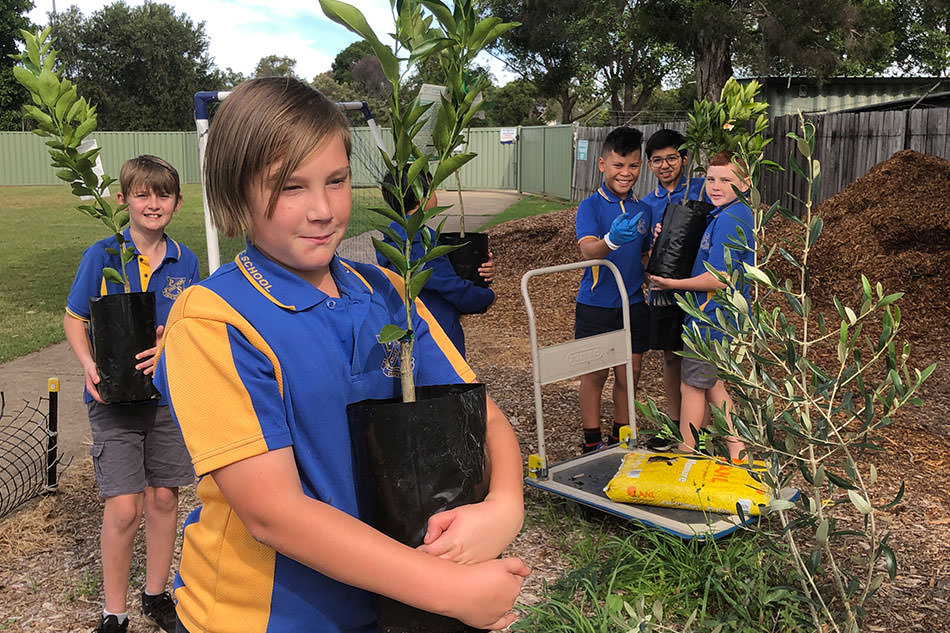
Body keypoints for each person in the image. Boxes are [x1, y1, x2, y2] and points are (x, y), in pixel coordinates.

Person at [152, 77, 528, 633]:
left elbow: (483, 417)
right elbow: (272, 514)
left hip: (387, 605)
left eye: (337, 180)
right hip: (260, 618)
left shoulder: (387, 292)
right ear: (237, 190)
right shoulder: (213, 318)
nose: (323, 209)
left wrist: (505, 505)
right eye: (290, 187)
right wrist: (450, 590)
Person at [63, 155, 199, 633]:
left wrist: (168, 344)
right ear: (122, 201)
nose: (153, 203)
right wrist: (87, 363)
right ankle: (114, 612)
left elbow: (187, 323)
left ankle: (156, 594)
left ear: (177, 202)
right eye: (142, 194)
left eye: (163, 195)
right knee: (124, 506)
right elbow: (75, 318)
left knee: (164, 498)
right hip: (114, 399)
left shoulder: (187, 261)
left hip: (164, 400)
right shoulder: (104, 254)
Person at [646, 150, 755, 461]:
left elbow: (721, 278)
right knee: (714, 386)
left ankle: (686, 455)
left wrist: (672, 285)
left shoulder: (732, 217)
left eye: (726, 180)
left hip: (710, 317)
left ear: (745, 184)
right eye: (710, 179)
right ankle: (738, 452)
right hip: (713, 316)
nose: (716, 186)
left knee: (691, 387)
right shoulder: (724, 214)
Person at [574, 126, 651, 453]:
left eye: (633, 166)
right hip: (596, 304)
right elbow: (588, 251)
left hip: (633, 304)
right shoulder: (589, 207)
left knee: (628, 375)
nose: (626, 173)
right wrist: (610, 241)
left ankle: (622, 438)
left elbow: (646, 258)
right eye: (618, 165)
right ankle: (592, 441)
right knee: (594, 375)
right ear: (602, 164)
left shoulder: (643, 210)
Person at [376, 170, 495, 358]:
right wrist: (486, 297)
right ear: (420, 195)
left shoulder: (395, 238)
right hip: (435, 337)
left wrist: (480, 272)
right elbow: (450, 286)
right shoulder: (417, 244)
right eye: (432, 189)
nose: (435, 194)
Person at [640, 129, 707, 451]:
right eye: (657, 160)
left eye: (671, 158)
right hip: (663, 290)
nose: (665, 165)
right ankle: (673, 422)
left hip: (699, 289)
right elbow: (645, 254)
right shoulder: (648, 204)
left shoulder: (703, 190)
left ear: (684, 159)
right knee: (671, 355)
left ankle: (700, 430)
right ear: (649, 165)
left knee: (701, 355)